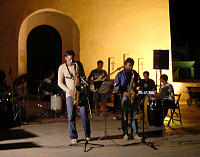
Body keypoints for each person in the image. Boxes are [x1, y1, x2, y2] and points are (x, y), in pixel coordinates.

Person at [58, 50, 91, 143]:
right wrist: (69, 91)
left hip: (80, 93)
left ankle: (87, 134)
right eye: (69, 59)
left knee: (84, 114)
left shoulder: (78, 65)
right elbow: (59, 82)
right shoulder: (62, 67)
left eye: (72, 59)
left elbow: (84, 77)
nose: (71, 61)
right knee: (71, 115)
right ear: (65, 58)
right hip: (70, 94)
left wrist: (80, 80)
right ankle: (73, 136)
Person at [114, 58, 141, 140]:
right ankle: (125, 133)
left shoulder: (134, 73)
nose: (131, 67)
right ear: (125, 65)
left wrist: (136, 84)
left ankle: (135, 133)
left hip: (133, 95)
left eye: (132, 65)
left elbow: (139, 82)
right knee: (125, 115)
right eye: (129, 65)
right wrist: (123, 92)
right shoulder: (120, 74)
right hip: (124, 95)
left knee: (134, 115)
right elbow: (115, 87)